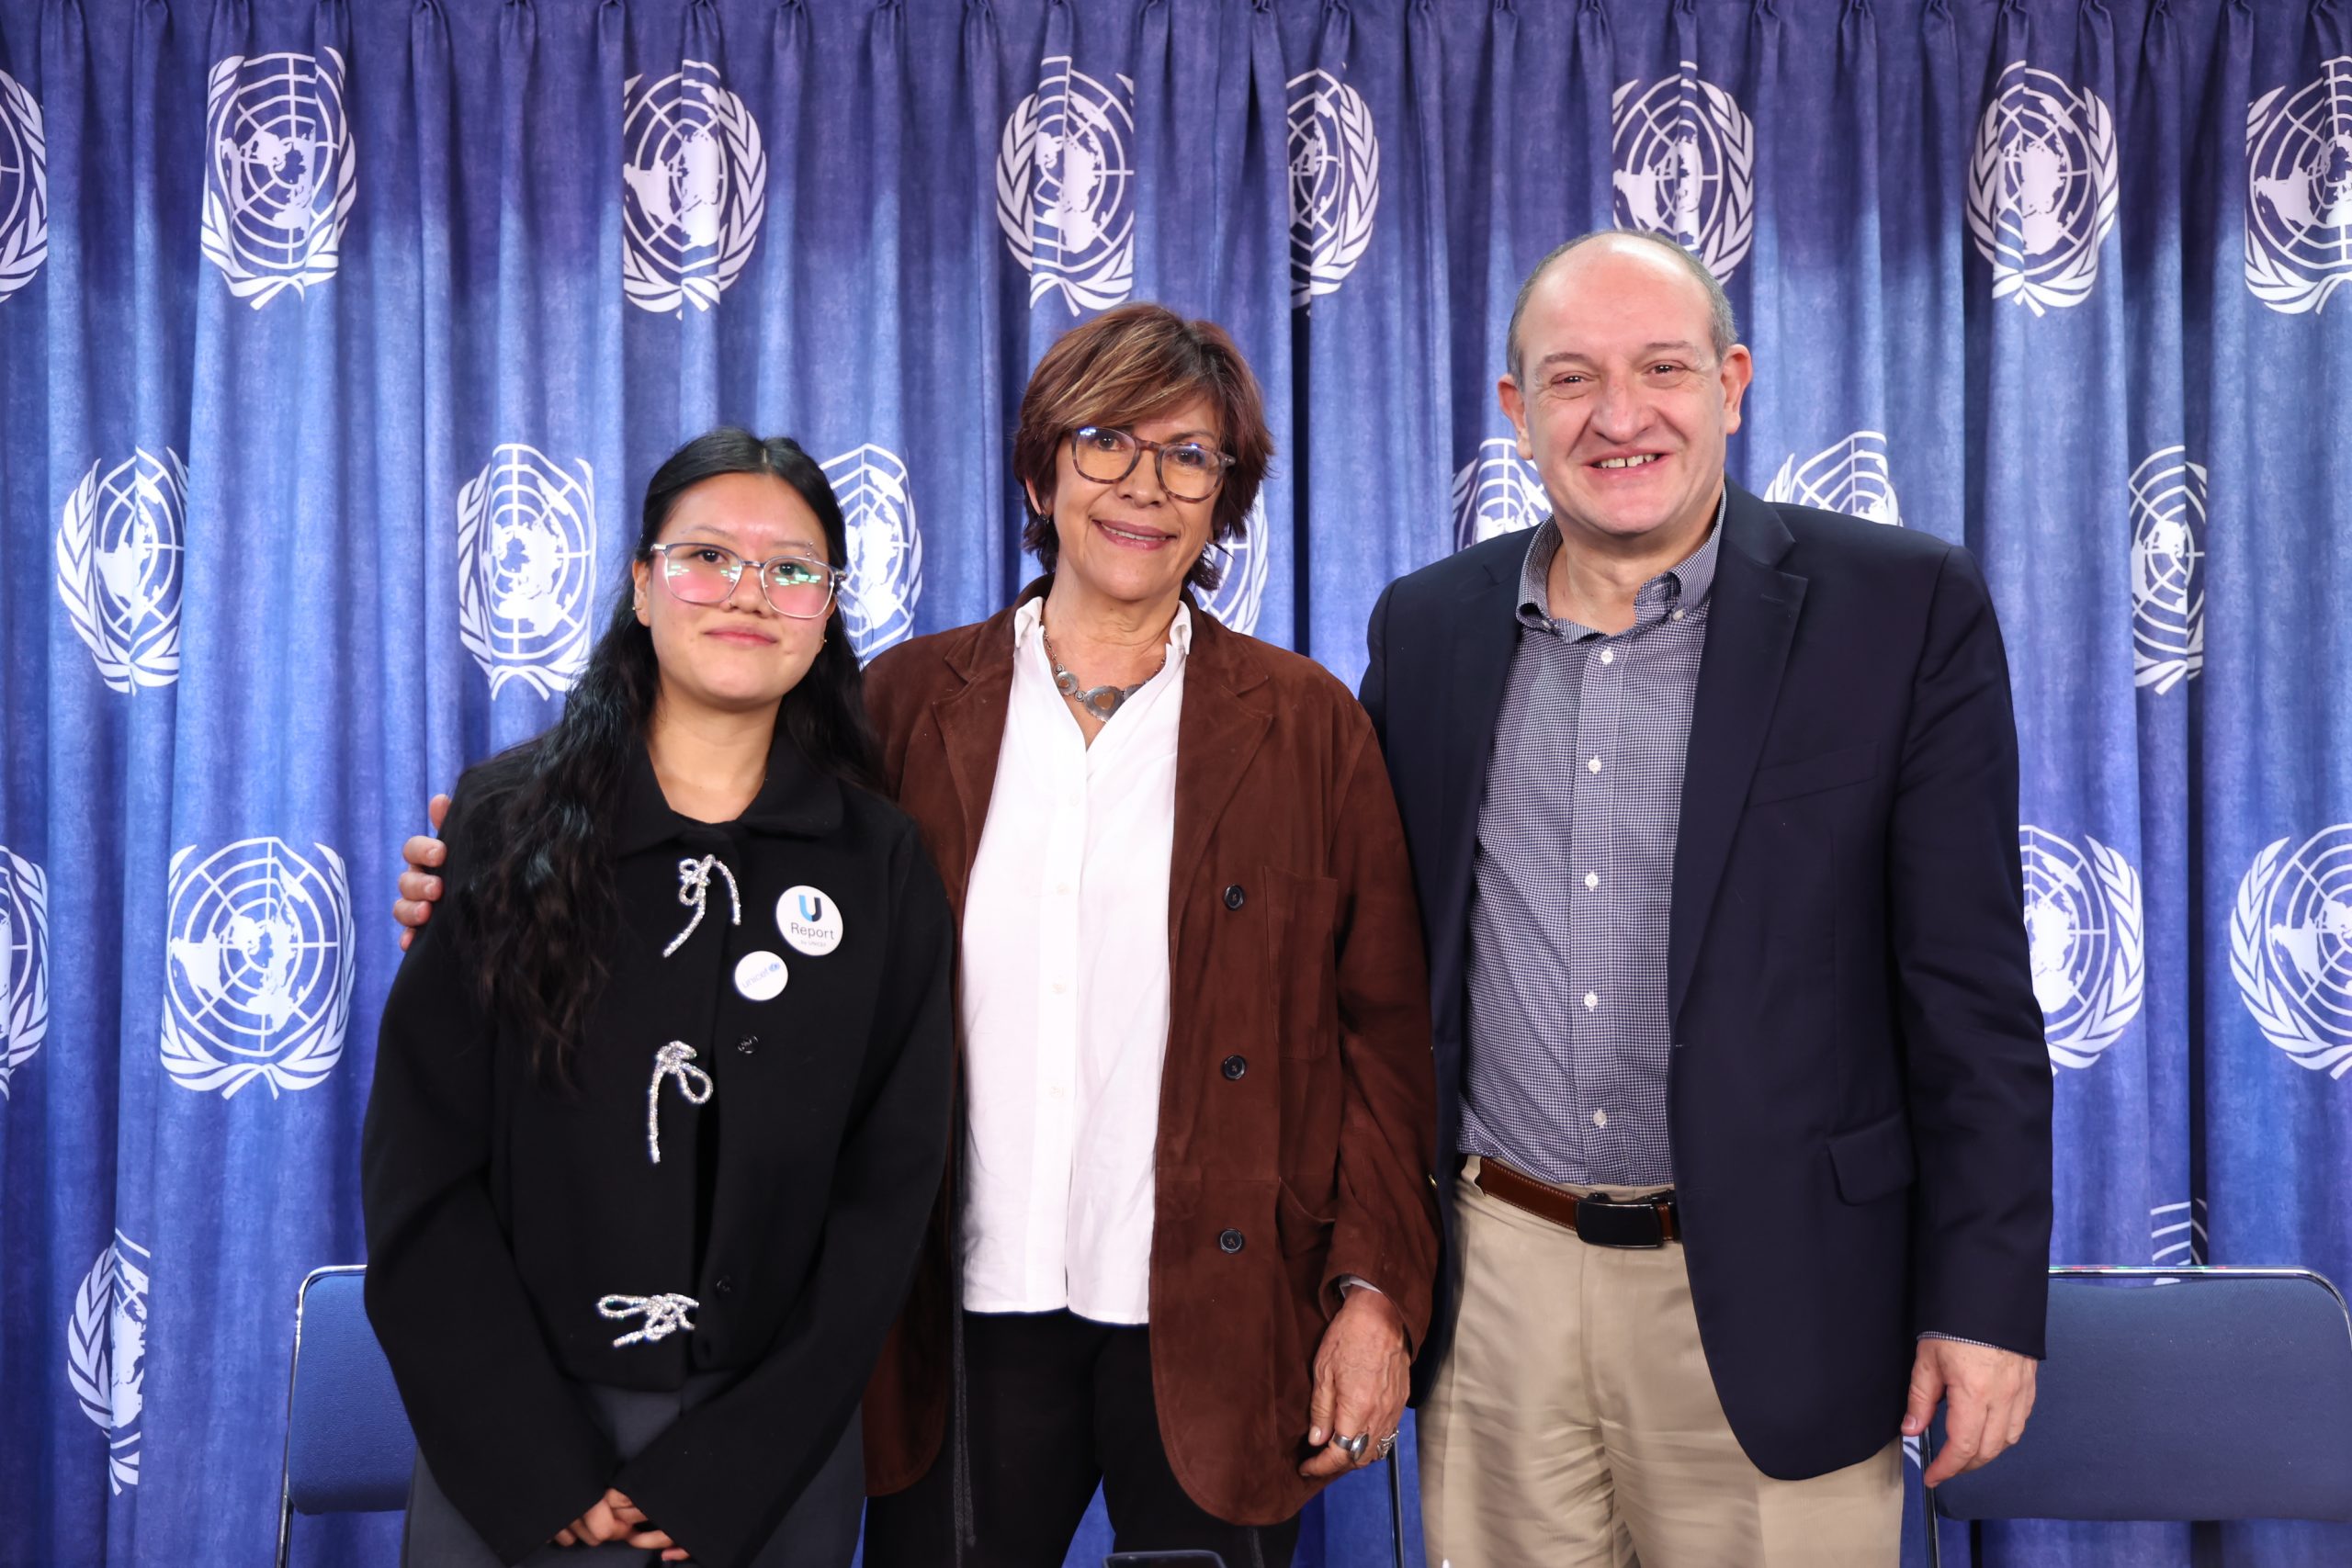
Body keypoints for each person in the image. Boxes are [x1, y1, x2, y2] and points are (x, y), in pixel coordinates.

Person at [394, 308, 1442, 1568]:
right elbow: (707, 866)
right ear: (1042, 468)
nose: (1143, 486)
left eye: (1189, 456)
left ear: (1227, 498)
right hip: (939, 1321)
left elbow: (1383, 1042)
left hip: (1219, 1313)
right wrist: (497, 879)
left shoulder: (1309, 727)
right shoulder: (897, 709)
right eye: (1107, 440)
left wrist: (1371, 1294)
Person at [1361, 231, 2053, 1566]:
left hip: (1781, 1292)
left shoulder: (1903, 608)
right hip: (1495, 1285)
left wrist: (1983, 1300)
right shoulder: (1427, 626)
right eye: (1571, 379)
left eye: (1663, 368)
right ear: (1516, 412)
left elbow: (1969, 994)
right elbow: (1388, 978)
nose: (1621, 416)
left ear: (1731, 381)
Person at [364, 430, 954, 1568]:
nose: (749, 593)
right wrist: (531, 1460)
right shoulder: (501, 826)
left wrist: (735, 1466)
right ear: (640, 585)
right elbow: (419, 1176)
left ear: (829, 609)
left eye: (793, 568)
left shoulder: (880, 862)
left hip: (769, 1464)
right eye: (707, 557)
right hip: (519, 1451)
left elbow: (890, 1197)